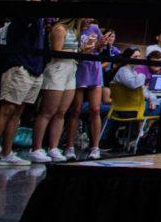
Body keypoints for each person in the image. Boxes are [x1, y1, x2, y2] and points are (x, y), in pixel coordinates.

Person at [0, 0, 50, 167]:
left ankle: (6, 152)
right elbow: (38, 8)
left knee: (18, 112)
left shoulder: (41, 21)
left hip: (34, 69)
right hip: (20, 65)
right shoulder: (27, 15)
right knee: (7, 109)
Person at [29, 16, 82, 163]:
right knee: (47, 111)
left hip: (71, 69)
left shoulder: (74, 32)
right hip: (58, 69)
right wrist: (79, 51)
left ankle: (53, 147)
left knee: (61, 112)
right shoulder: (59, 29)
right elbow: (57, 51)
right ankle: (36, 148)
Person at [64, 20, 113, 161]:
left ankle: (95, 146)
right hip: (80, 68)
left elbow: (99, 49)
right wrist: (91, 46)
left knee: (95, 109)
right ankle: (69, 146)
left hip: (94, 68)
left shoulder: (95, 28)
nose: (89, 21)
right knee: (76, 110)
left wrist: (102, 43)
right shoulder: (75, 29)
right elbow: (76, 50)